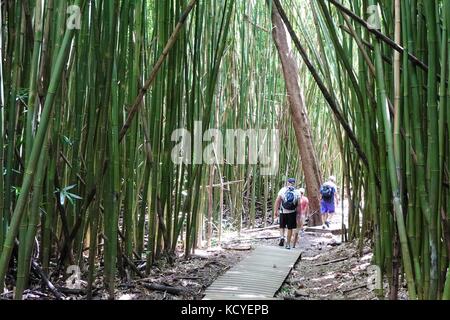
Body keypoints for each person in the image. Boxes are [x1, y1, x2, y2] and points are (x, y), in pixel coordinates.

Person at [274, 178, 300, 250]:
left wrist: (275, 211)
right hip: (292, 213)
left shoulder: (283, 190)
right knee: (290, 228)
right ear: (294, 183)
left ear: (288, 183)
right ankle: (288, 244)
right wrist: (298, 215)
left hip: (283, 212)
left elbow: (277, 201)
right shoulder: (297, 192)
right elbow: (298, 204)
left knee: (282, 226)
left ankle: (282, 237)